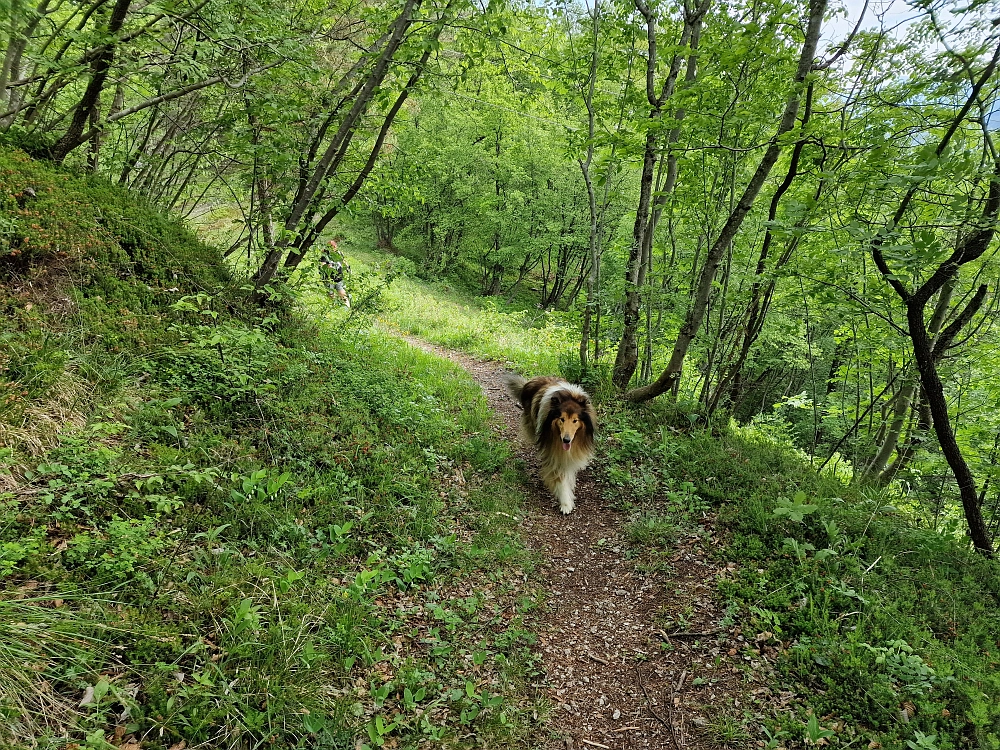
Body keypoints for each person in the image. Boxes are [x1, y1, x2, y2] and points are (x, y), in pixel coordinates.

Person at [319, 239, 351, 307]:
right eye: (332, 247)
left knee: (343, 294)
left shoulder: (338, 253)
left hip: (339, 277)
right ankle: (333, 307)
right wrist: (327, 266)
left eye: (334, 247)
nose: (334, 248)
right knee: (331, 295)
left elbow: (343, 261)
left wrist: (347, 267)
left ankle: (347, 308)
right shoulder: (325, 256)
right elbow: (322, 266)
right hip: (329, 279)